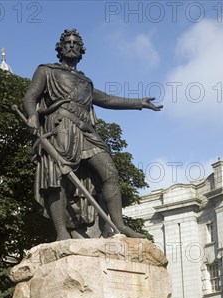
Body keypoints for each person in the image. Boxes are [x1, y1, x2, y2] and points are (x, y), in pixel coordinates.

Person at [23, 29, 163, 241]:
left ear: (81, 50)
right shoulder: (46, 70)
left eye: (75, 43)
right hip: (60, 126)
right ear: (60, 48)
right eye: (67, 42)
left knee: (110, 173)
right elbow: (30, 96)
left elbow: (106, 99)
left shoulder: (85, 82)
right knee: (57, 177)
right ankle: (62, 234)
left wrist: (137, 103)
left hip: (86, 130)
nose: (71, 45)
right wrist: (33, 116)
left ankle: (119, 225)